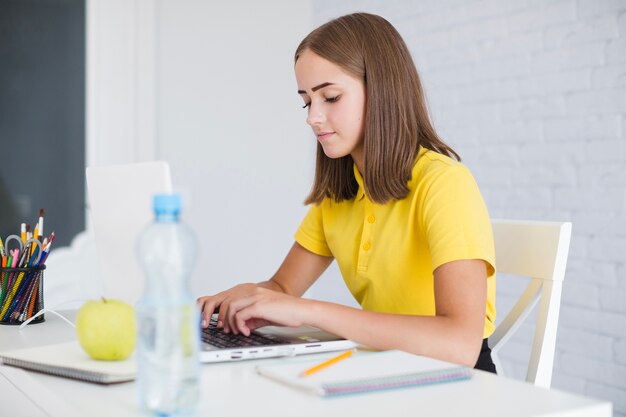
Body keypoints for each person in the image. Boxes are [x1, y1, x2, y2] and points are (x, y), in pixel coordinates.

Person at [197, 12, 497, 373]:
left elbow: (460, 343)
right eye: (307, 101)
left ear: (382, 90)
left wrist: (310, 312)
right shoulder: (341, 194)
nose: (313, 117)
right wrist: (246, 298)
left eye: (331, 97)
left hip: (457, 382)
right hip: (387, 370)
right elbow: (283, 286)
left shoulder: (444, 184)